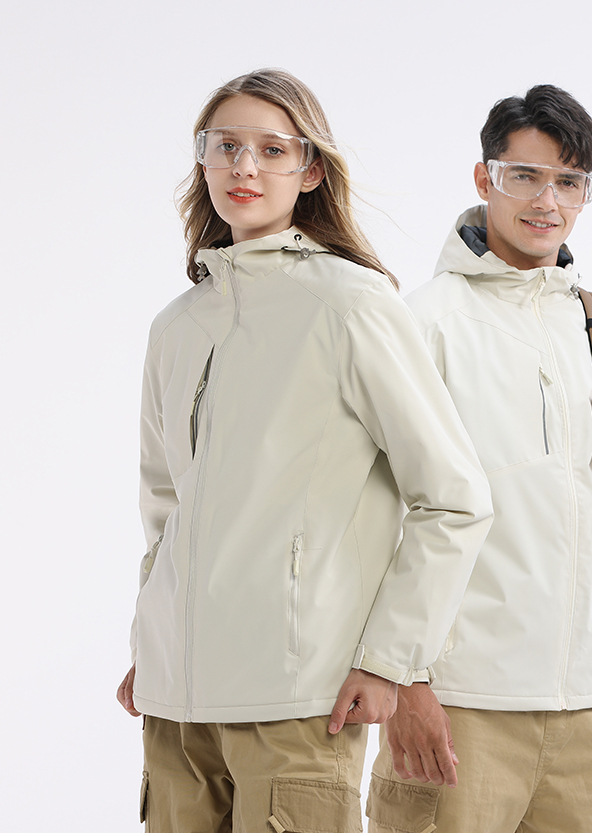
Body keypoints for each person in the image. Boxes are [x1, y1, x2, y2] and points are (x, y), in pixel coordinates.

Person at [116, 68, 493, 833]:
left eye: (271, 149)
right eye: (226, 146)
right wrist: (158, 642)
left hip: (299, 700)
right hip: (176, 706)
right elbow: (166, 508)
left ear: (311, 169)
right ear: (203, 159)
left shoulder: (351, 304)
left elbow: (454, 498)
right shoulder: (177, 325)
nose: (244, 167)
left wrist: (389, 659)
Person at [366, 84, 592, 833]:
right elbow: (371, 514)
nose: (547, 201)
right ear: (484, 177)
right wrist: (407, 679)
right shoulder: (423, 325)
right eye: (524, 176)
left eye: (569, 182)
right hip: (461, 699)